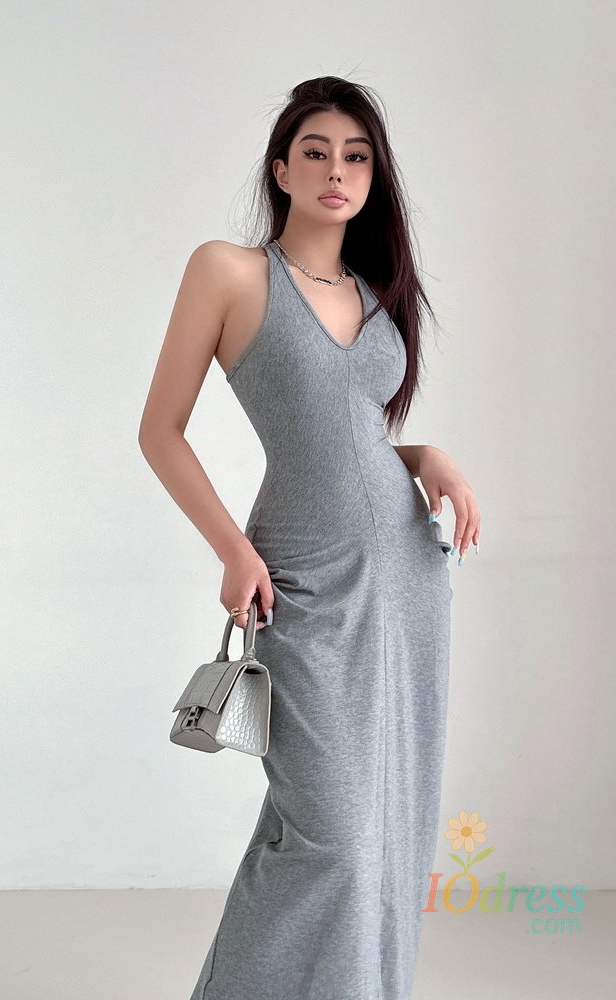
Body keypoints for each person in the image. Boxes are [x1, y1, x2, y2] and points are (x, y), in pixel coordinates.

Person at [138, 75, 480, 1000]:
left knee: (394, 830)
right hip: (303, 579)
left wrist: (425, 455)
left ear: (374, 178)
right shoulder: (230, 271)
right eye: (317, 152)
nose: (337, 170)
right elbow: (159, 430)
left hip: (408, 578)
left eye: (357, 157)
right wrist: (232, 549)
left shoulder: (376, 294)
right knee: (333, 835)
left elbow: (351, 438)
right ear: (282, 169)